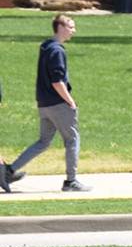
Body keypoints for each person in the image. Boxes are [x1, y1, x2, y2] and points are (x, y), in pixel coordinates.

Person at [6, 14, 85, 193]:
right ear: (61, 27)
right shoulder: (57, 51)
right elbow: (57, 81)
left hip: (44, 103)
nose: (74, 31)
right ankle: (71, 181)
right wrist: (70, 101)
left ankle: (9, 171)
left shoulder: (46, 46)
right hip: (58, 104)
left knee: (43, 142)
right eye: (71, 27)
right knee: (72, 140)